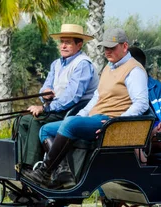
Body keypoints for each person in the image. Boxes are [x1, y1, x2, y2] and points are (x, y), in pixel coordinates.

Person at [25, 28, 149, 188]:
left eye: (112, 47)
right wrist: (82, 115)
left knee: (69, 123)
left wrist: (116, 123)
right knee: (46, 130)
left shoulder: (134, 70)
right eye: (105, 48)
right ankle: (65, 173)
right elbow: (97, 97)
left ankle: (44, 172)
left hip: (109, 121)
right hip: (95, 118)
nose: (107, 51)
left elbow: (141, 103)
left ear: (125, 46)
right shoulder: (108, 67)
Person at [15, 24, 99, 171]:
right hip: (56, 108)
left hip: (73, 111)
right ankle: (20, 162)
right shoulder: (56, 64)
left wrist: (45, 108)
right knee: (22, 120)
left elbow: (72, 97)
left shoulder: (83, 64)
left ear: (79, 45)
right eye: (62, 42)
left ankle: (32, 167)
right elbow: (45, 87)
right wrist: (45, 94)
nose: (63, 46)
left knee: (36, 121)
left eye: (68, 42)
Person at [129, 46, 161, 155]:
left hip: (154, 131)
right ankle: (143, 169)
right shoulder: (121, 86)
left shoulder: (156, 87)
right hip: (135, 132)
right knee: (132, 136)